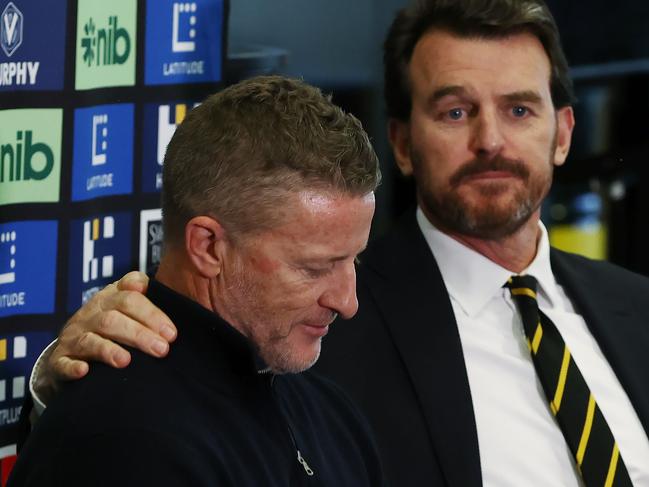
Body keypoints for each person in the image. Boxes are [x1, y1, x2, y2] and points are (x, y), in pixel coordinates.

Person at [25, 0, 649, 486]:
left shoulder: (636, 307)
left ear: (563, 132)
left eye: (519, 110)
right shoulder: (307, 331)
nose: (491, 141)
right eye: (455, 112)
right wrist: (65, 375)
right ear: (401, 141)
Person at [8, 76, 388, 486]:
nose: (347, 302)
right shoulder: (122, 442)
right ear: (208, 247)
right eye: (314, 268)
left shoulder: (334, 416)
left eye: (355, 259)